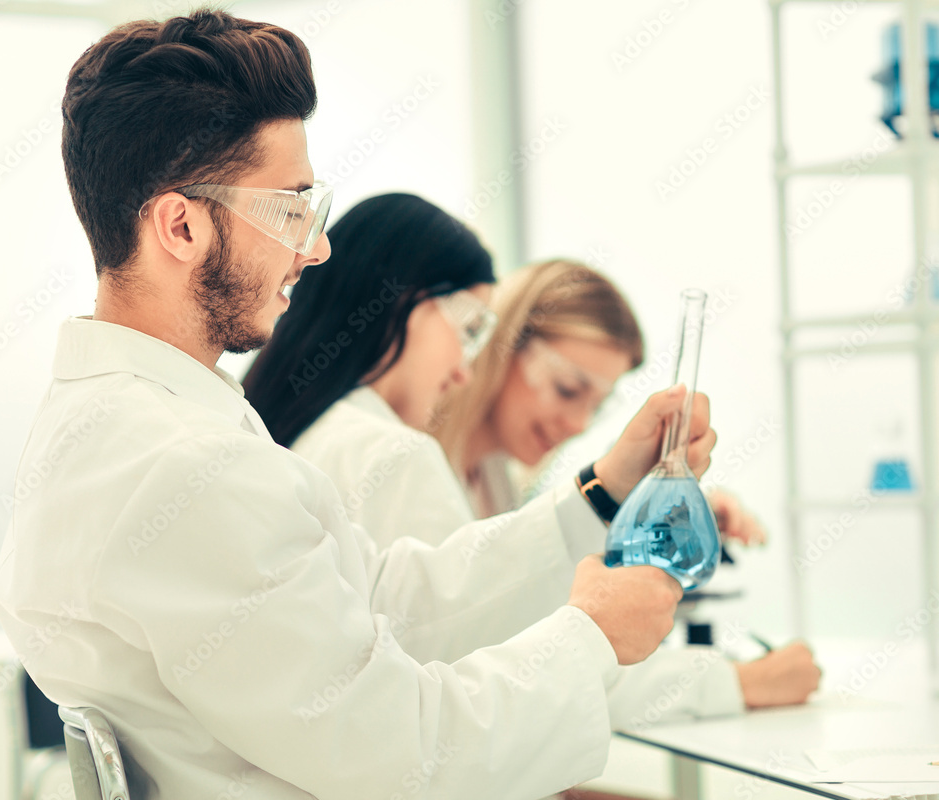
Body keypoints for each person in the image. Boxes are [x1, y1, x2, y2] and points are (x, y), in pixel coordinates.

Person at [0, 11, 696, 800]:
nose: (317, 247)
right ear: (181, 225)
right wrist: (592, 636)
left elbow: (384, 602)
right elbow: (408, 757)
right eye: (291, 208)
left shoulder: (118, 422)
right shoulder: (183, 464)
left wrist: (598, 494)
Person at [250, 245, 819, 721]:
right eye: (568, 389)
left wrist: (644, 513)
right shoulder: (394, 456)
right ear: (498, 344)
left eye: (594, 409)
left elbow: (528, 595)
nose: (575, 426)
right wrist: (734, 685)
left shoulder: (489, 476)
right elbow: (513, 664)